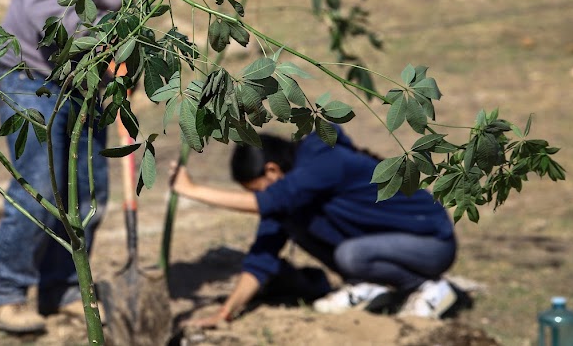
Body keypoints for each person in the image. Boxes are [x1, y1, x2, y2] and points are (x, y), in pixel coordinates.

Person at [0, 0, 178, 334]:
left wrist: (131, 55)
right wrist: (101, 48)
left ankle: (65, 288)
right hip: (35, 75)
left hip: (89, 82)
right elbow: (42, 5)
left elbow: (124, 8)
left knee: (89, 190)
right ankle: (6, 295)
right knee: (42, 188)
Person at [169, 127, 458, 327]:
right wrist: (226, 312)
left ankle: (431, 287)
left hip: (432, 241)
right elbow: (263, 255)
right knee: (296, 224)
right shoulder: (292, 196)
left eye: (258, 190)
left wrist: (193, 191)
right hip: (387, 244)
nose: (261, 197)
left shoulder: (323, 161)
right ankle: (369, 284)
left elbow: (271, 201)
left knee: (351, 256)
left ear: (272, 169)